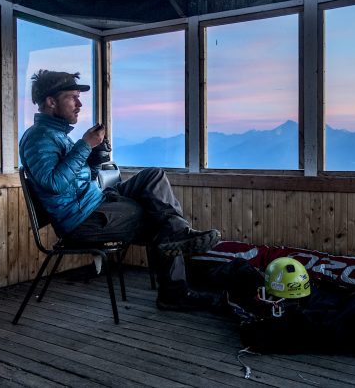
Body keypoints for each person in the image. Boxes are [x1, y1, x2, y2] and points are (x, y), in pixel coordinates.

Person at [19, 69, 221, 310]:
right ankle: (174, 291)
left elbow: (78, 178)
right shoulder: (38, 138)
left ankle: (178, 236)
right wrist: (85, 145)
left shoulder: (57, 135)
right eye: (72, 97)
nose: (79, 104)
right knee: (158, 218)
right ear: (51, 102)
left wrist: (95, 157)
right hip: (82, 221)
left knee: (153, 176)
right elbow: (54, 183)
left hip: (96, 203)